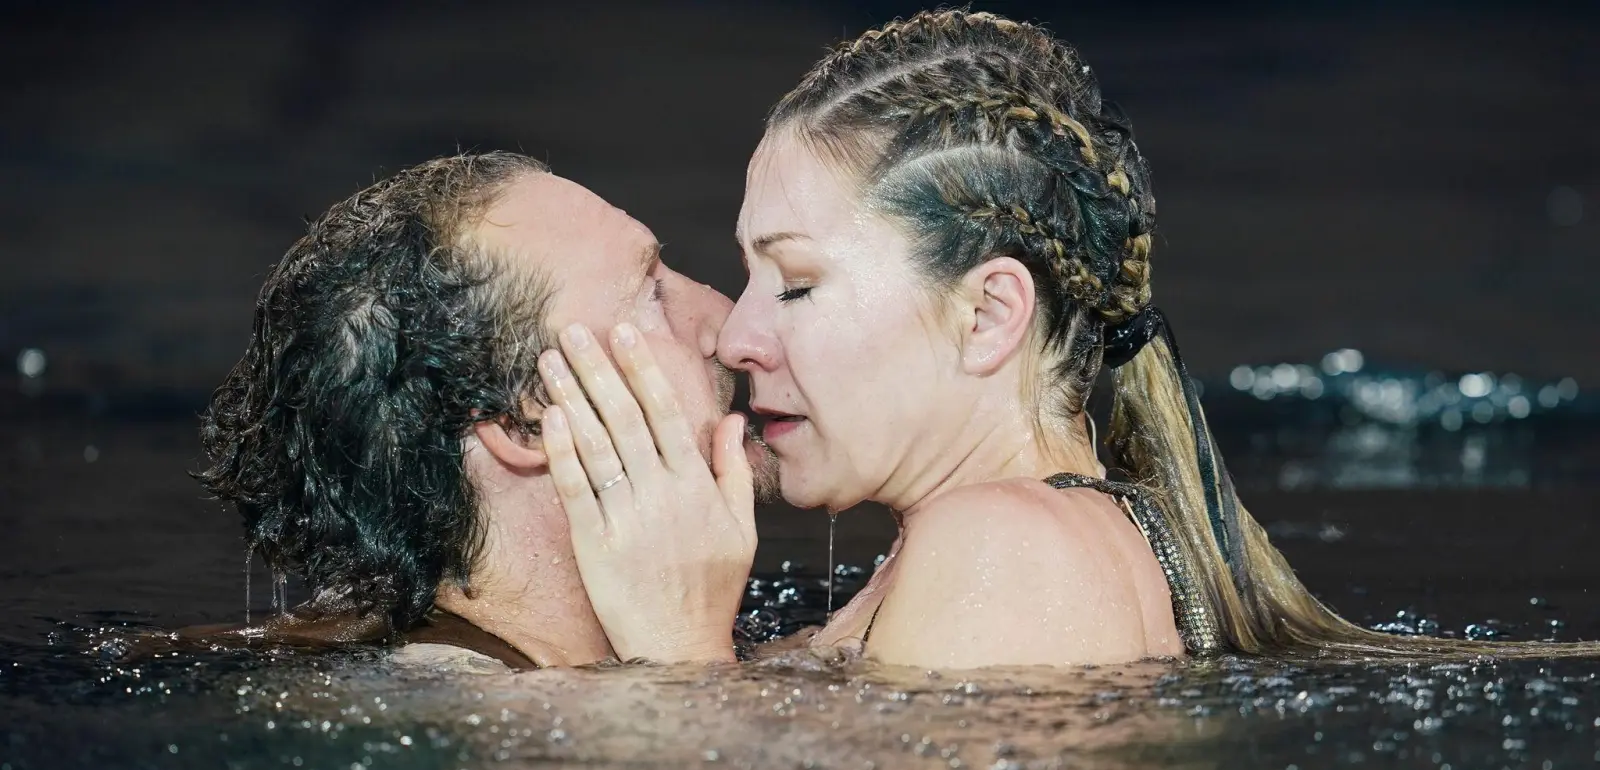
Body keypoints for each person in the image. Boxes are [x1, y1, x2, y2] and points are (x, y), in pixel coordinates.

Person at [544, 10, 1600, 668]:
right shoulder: (994, 544)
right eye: (748, 276)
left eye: (799, 282)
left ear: (989, 316)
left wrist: (675, 655)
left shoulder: (1006, 554)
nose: (735, 333)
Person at [171, 150, 773, 670]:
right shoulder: (453, 698)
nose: (728, 322)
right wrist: (686, 657)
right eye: (654, 295)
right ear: (523, 421)